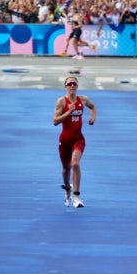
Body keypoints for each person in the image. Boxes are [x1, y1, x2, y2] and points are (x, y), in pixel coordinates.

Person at [53, 76, 96, 209]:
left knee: (75, 163)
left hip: (78, 139)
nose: (72, 86)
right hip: (64, 141)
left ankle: (76, 197)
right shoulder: (61, 102)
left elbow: (92, 106)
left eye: (74, 84)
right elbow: (55, 121)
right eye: (69, 84)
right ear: (65, 87)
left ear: (77, 86)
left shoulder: (82, 100)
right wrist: (69, 112)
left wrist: (93, 117)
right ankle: (67, 189)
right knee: (66, 169)